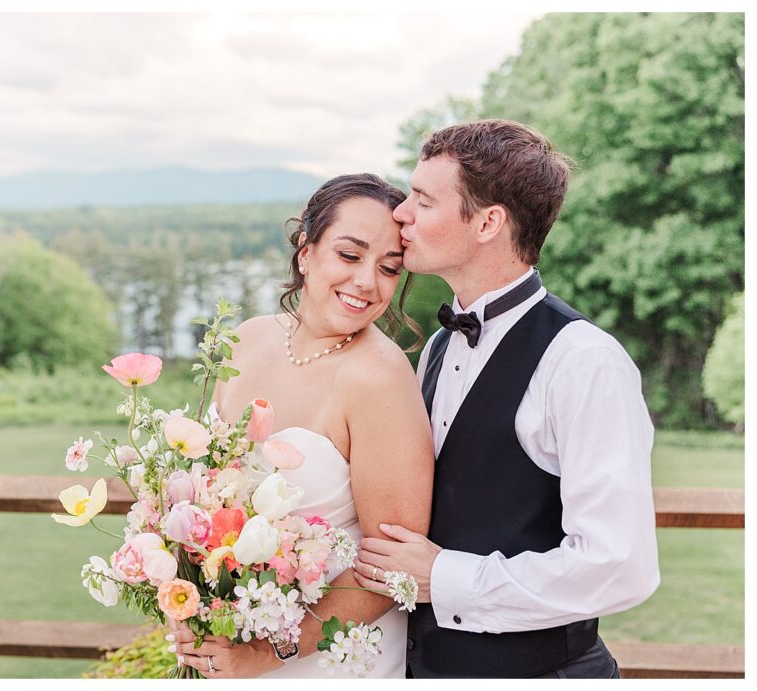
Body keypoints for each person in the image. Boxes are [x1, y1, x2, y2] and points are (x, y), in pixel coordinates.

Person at [353, 119, 661, 678]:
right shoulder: (439, 347)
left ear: (488, 222)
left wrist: (444, 579)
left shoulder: (583, 361)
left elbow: (619, 566)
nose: (401, 214)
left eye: (423, 199)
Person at [168, 173, 435, 678]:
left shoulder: (378, 377)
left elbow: (390, 565)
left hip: (326, 660)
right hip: (227, 643)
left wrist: (267, 655)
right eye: (350, 256)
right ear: (305, 250)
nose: (366, 282)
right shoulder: (247, 340)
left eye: (389, 268)